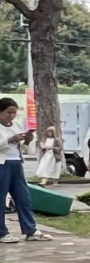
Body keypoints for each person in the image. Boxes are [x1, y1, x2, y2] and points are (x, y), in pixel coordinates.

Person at [0, 98, 43, 244]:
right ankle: (1, 232)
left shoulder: (17, 125)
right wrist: (9, 140)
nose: (11, 116)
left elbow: (22, 148)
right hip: (2, 164)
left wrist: (27, 140)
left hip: (16, 163)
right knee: (1, 198)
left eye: (14, 113)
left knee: (23, 198)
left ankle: (30, 230)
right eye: (8, 112)